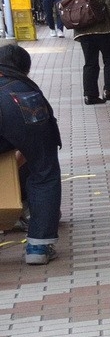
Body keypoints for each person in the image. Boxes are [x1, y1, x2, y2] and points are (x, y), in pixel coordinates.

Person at [0, 42, 61, 263]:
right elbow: (37, 152)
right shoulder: (23, 88)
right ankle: (38, 247)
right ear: (24, 69)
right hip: (18, 106)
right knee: (44, 172)